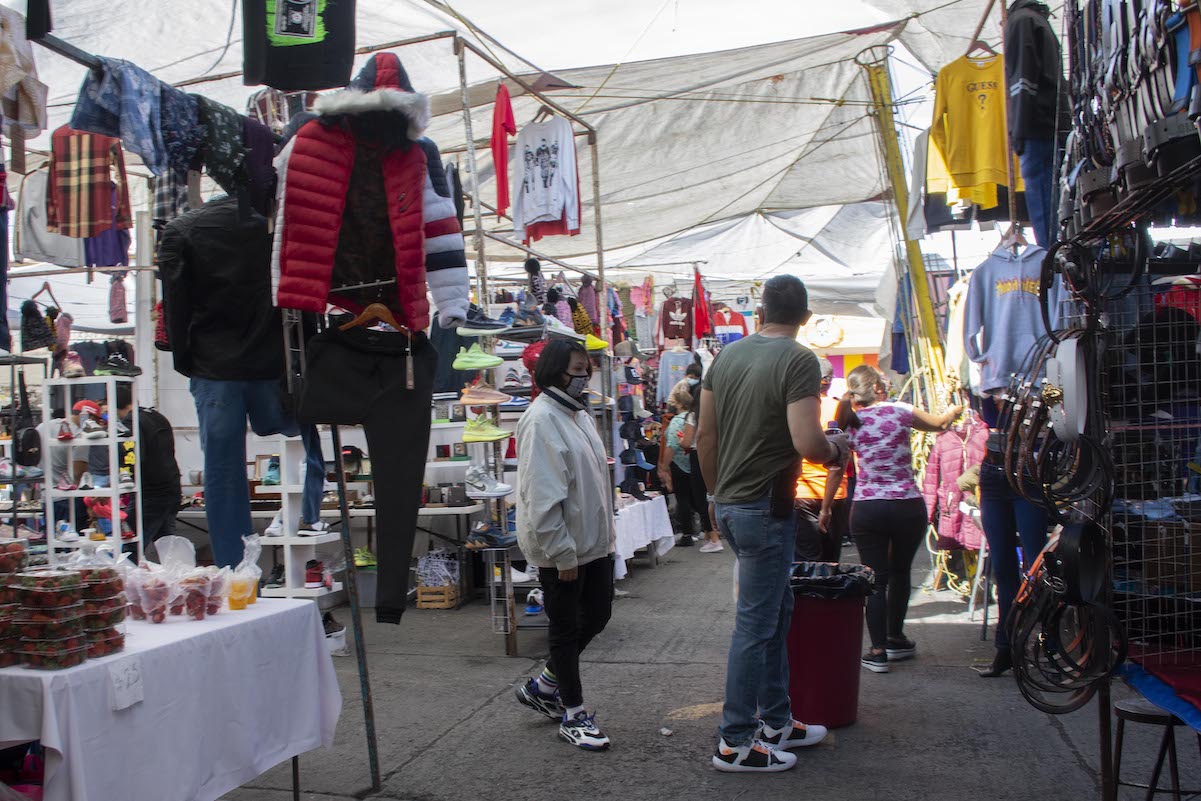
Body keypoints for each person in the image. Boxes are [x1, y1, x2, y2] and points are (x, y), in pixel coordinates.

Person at [697, 274, 844, 773]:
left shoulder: (727, 358)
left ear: (760, 312)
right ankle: (734, 741)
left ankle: (776, 721)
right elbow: (808, 442)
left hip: (737, 505)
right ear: (805, 317)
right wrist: (836, 450)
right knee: (757, 625)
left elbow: (704, 438)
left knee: (775, 611)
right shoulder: (799, 359)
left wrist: (715, 495)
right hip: (764, 505)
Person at [512, 339, 617, 751]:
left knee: (598, 615)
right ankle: (573, 714)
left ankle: (544, 685)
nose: (584, 377)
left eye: (587, 370)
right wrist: (561, 551)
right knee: (566, 629)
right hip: (564, 547)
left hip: (593, 542)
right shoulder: (541, 421)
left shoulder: (578, 416)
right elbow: (542, 495)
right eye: (578, 370)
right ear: (557, 372)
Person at [833, 365, 964, 674]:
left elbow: (834, 461)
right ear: (878, 388)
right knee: (900, 573)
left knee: (875, 580)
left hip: (868, 508)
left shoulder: (849, 421)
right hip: (907, 505)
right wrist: (958, 407)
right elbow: (941, 423)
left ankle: (877, 651)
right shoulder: (901, 411)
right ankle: (895, 638)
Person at [794, 357, 849, 562]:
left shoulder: (796, 409)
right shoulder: (840, 408)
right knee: (830, 561)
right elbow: (844, 458)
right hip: (835, 494)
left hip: (801, 494)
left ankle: (807, 596)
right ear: (830, 381)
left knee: (805, 563)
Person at [113, 385, 182, 546]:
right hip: (172, 485)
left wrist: (124, 477)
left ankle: (128, 571)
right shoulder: (156, 415)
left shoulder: (131, 421)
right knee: (167, 545)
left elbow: (133, 455)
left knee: (131, 545)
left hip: (151, 491)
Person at [658, 383, 722, 552]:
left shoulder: (693, 416)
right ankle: (711, 534)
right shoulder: (716, 414)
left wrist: (681, 440)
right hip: (716, 456)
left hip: (697, 456)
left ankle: (713, 537)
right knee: (712, 494)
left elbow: (686, 442)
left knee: (700, 497)